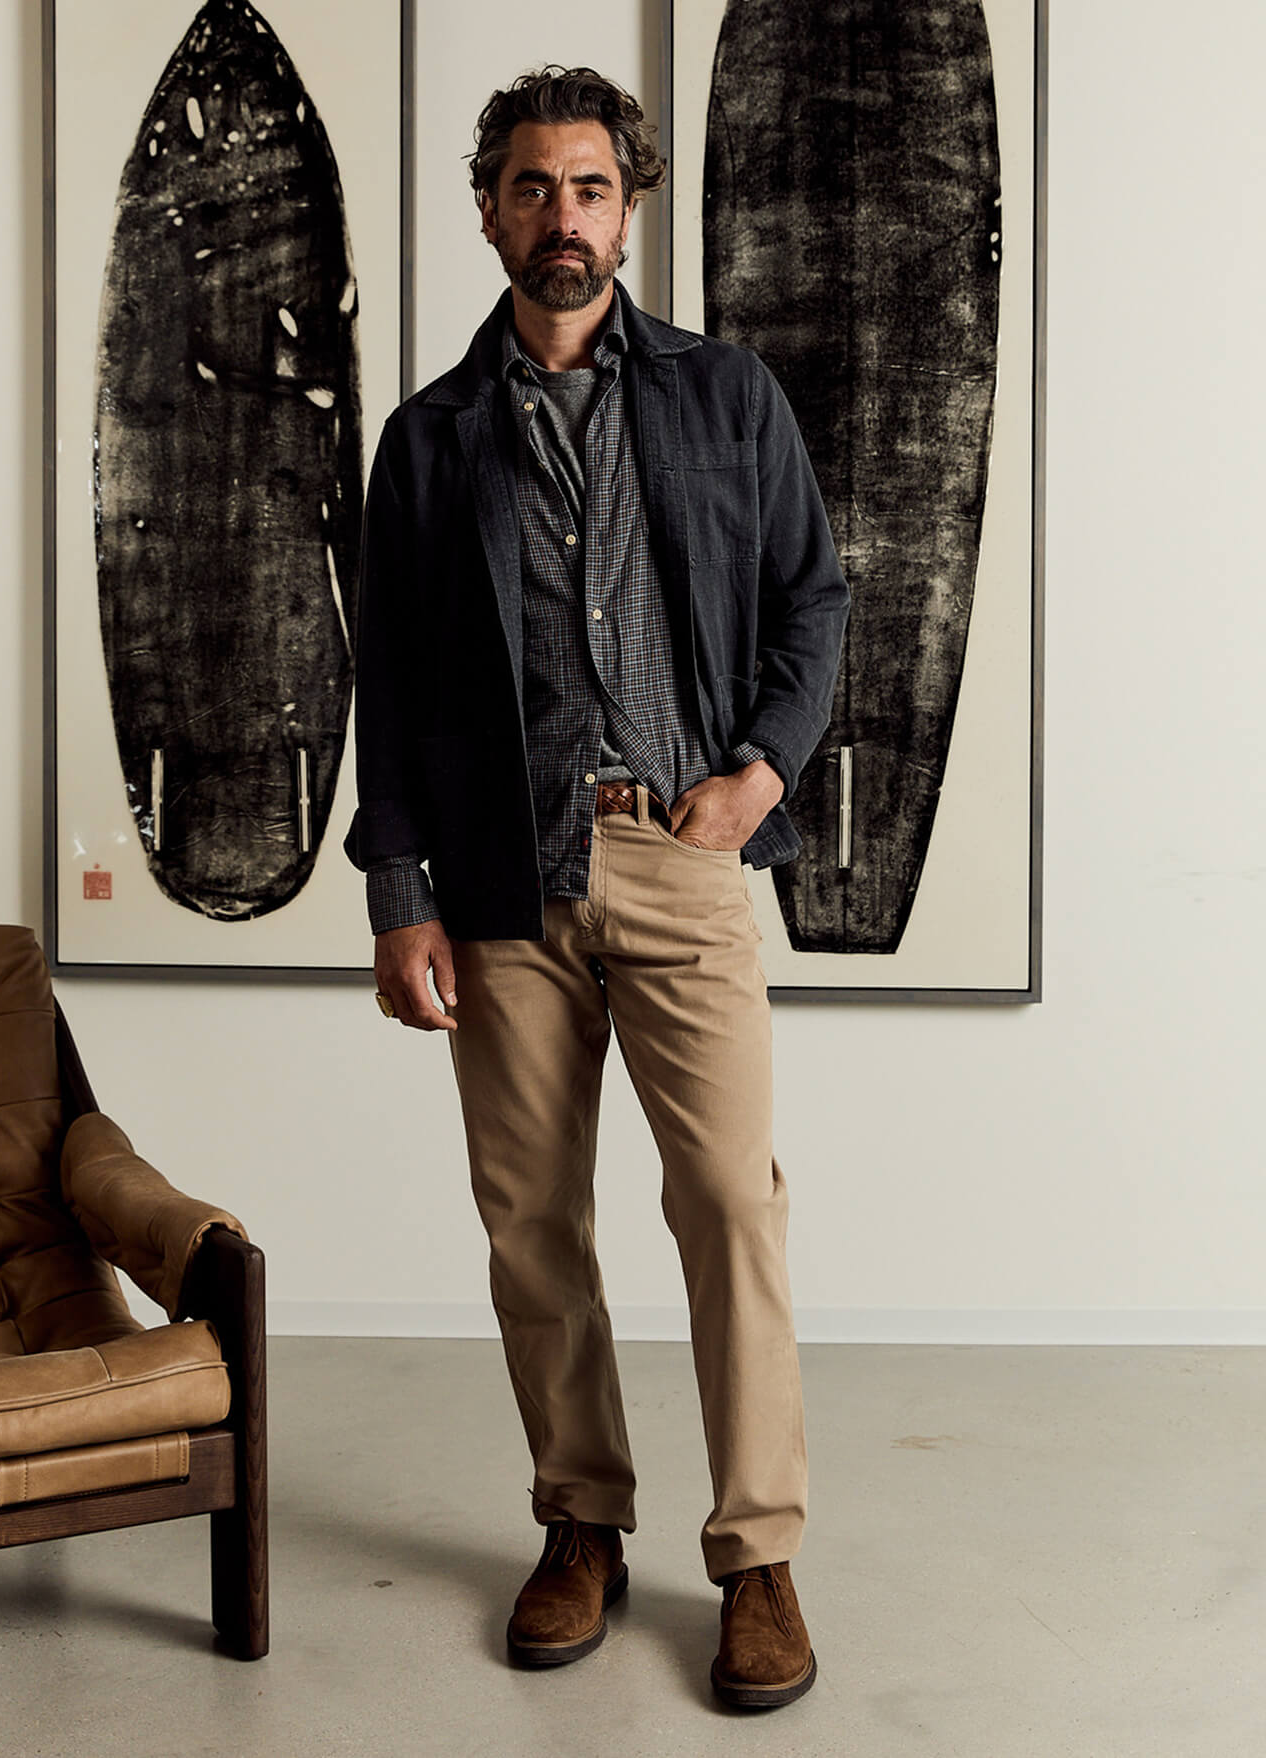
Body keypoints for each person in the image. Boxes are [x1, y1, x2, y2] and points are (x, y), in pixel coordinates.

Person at [345, 65, 849, 1711]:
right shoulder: (427, 441)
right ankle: (581, 1521)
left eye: (589, 189)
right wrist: (398, 891)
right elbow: (399, 688)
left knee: (724, 1200)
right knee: (530, 1219)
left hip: (681, 853)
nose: (561, 220)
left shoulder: (724, 396)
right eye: (531, 188)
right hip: (501, 873)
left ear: (628, 209)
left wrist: (758, 776)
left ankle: (758, 1549)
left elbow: (814, 600)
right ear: (488, 208)